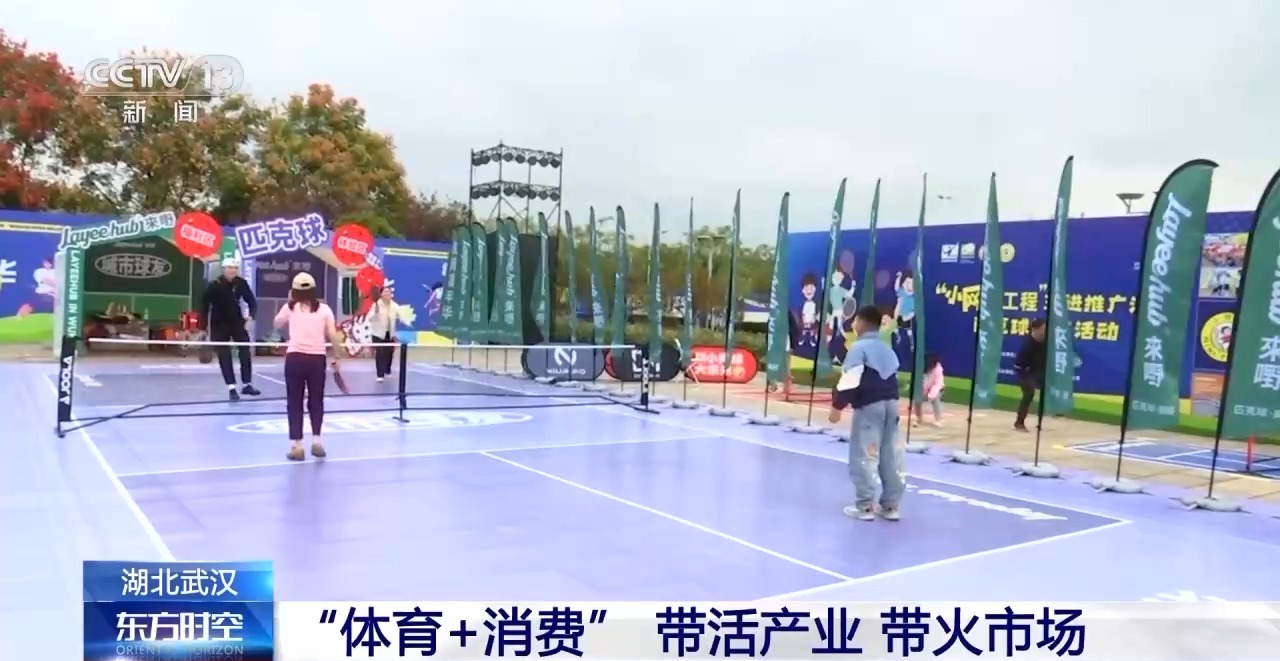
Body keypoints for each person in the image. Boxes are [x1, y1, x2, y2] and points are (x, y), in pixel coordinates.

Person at [837, 305, 905, 521]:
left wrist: (837, 407)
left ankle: (865, 506)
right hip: (892, 404)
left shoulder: (859, 348)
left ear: (863, 322)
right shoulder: (887, 349)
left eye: (855, 320)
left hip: (869, 406)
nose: (853, 324)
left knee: (864, 454)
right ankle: (891, 506)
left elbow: (850, 380)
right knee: (891, 455)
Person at [273, 272, 341, 461]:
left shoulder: (289, 308)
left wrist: (289, 300)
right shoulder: (325, 310)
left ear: (294, 291)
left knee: (294, 401)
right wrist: (336, 356)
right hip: (317, 360)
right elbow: (333, 335)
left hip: (295, 358)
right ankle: (317, 441)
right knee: (316, 400)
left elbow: (276, 324)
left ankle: (298, 446)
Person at [201, 257, 260, 401]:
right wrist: (203, 327)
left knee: (245, 351)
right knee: (224, 355)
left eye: (235, 268)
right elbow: (204, 305)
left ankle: (247, 384)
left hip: (237, 322)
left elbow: (252, 301)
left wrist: (250, 318)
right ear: (224, 269)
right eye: (230, 268)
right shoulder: (214, 285)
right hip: (218, 324)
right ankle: (231, 388)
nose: (233, 270)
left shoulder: (241, 283)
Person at [1013, 319, 1047, 432]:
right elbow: (1018, 365)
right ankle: (1019, 422)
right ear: (1035, 330)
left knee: (1048, 389)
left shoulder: (1045, 343)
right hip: (1025, 373)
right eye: (1042, 329)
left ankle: (1041, 421)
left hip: (1039, 372)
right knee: (1029, 392)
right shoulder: (1027, 346)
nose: (1044, 332)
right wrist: (1026, 378)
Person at [367, 286, 400, 382]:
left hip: (389, 333)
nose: (387, 294)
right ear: (381, 294)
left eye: (388, 292)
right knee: (380, 354)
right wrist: (376, 312)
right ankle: (380, 374)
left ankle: (387, 370)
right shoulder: (376, 305)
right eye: (385, 292)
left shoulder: (394, 305)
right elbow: (370, 318)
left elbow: (400, 314)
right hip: (377, 333)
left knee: (389, 353)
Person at [911, 353, 944, 427]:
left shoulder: (938, 370)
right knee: (917, 399)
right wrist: (921, 392)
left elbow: (937, 384)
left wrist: (931, 395)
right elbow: (920, 381)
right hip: (925, 389)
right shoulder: (921, 368)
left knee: (935, 398)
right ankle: (919, 418)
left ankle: (938, 419)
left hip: (938, 389)